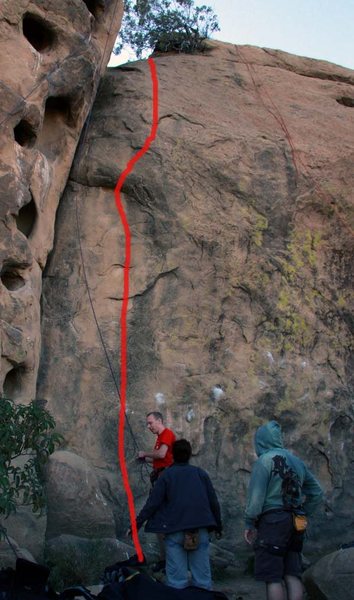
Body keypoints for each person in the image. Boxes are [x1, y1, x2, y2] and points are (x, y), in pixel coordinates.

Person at [244, 420, 324, 600]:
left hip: (272, 521)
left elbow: (256, 498)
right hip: (296, 521)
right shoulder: (297, 461)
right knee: (292, 573)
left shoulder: (264, 461)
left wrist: (249, 522)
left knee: (272, 576)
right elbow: (317, 493)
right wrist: (304, 511)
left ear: (261, 441)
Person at [135, 439, 222, 590]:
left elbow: (152, 504)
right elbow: (213, 502)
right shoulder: (200, 474)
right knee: (203, 581)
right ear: (189, 455)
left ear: (173, 455)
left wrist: (136, 524)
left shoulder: (167, 475)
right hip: (199, 528)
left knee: (176, 582)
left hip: (175, 530)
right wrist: (218, 525)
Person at [138, 411, 176, 571]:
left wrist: (145, 453)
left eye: (150, 422)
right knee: (160, 520)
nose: (148, 426)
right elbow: (161, 457)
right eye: (147, 423)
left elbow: (161, 454)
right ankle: (165, 558)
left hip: (166, 480)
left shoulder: (167, 434)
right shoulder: (160, 438)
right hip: (161, 478)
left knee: (161, 518)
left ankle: (168, 560)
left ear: (159, 420)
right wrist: (145, 459)